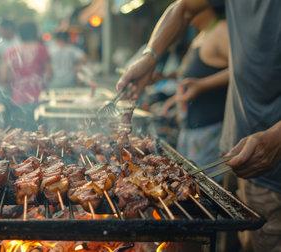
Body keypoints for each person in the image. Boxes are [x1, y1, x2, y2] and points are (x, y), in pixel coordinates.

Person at [116, 0, 281, 251]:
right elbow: (182, 8)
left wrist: (278, 137)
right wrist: (150, 57)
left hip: (274, 174)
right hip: (235, 149)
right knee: (225, 243)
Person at [161, 7, 229, 174]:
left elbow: (241, 69)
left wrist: (202, 85)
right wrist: (175, 97)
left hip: (209, 128)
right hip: (191, 129)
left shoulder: (221, 29)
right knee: (185, 178)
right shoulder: (201, 34)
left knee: (204, 186)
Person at [0, 21, 52, 131]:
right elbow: (49, 74)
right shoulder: (41, 49)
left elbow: (4, 77)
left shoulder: (12, 51)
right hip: (38, 99)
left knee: (20, 136)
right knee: (37, 136)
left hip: (17, 99)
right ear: (35, 33)